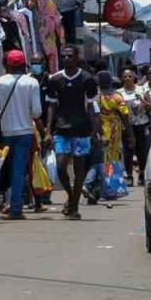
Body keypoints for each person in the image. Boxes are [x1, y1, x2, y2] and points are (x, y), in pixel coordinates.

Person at [0, 50, 44, 219]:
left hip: (6, 131)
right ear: (23, 63)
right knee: (18, 170)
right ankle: (15, 208)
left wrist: (1, 114)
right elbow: (37, 111)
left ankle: (10, 202)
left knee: (8, 168)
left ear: (7, 64)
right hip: (25, 131)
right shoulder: (32, 82)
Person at [45, 46, 99, 220]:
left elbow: (91, 107)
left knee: (79, 168)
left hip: (82, 129)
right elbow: (51, 106)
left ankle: (74, 206)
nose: (66, 58)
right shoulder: (55, 79)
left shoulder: (87, 79)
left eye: (70, 56)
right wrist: (47, 130)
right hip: (61, 129)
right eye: (64, 56)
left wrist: (95, 132)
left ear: (77, 58)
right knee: (61, 166)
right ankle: (71, 195)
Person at [86, 71, 131, 203]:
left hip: (98, 132)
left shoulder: (95, 97)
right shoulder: (116, 97)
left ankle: (101, 189)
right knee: (109, 161)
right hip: (113, 133)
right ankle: (107, 188)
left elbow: (92, 115)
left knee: (103, 160)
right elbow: (125, 117)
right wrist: (131, 134)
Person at [119, 68, 147, 184]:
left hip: (141, 123)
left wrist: (142, 102)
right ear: (122, 79)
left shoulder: (141, 89)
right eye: (125, 77)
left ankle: (142, 174)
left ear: (133, 77)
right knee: (127, 151)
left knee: (141, 150)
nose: (128, 78)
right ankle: (129, 176)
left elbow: (149, 105)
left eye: (130, 76)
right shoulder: (119, 93)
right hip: (126, 125)